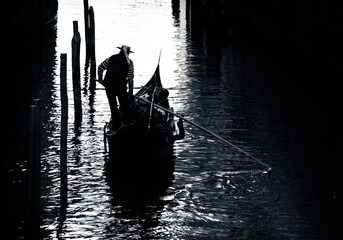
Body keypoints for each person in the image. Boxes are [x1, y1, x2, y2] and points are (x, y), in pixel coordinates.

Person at [98, 45, 135, 130]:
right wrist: (131, 91)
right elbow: (130, 78)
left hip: (109, 86)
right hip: (120, 87)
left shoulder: (111, 58)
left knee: (113, 106)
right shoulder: (130, 63)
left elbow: (100, 67)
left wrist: (100, 79)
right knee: (125, 105)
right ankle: (126, 123)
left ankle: (116, 125)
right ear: (128, 53)